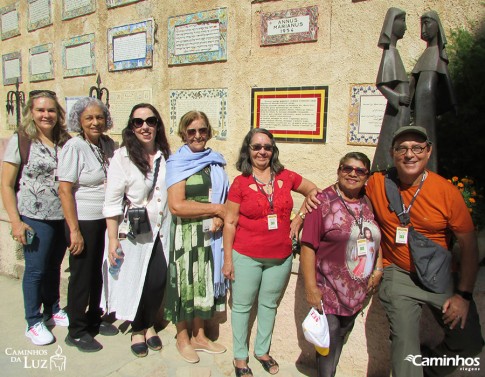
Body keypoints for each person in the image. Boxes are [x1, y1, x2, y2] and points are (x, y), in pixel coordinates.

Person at [366, 125, 483, 376]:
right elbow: (343, 189)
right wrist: (304, 209)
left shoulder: (446, 192)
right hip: (398, 272)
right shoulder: (377, 183)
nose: (410, 154)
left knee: (469, 343)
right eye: (403, 148)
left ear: (428, 152)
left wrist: (462, 295)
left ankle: (429, 363)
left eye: (417, 148)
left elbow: (469, 246)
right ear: (393, 153)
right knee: (404, 347)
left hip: (438, 275)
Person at [223, 128, 318, 377]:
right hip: (245, 256)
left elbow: (314, 191)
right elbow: (230, 222)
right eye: (256, 147)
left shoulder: (286, 177)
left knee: (269, 305)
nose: (262, 151)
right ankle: (240, 357)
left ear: (273, 150)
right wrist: (227, 260)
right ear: (248, 150)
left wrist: (298, 219)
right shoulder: (240, 183)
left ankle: (262, 351)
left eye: (267, 147)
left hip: (281, 256)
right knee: (242, 307)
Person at [300, 152, 383, 377]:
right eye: (347, 168)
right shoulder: (322, 202)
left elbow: (376, 236)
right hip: (327, 287)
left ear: (366, 176)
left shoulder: (368, 201)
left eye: (359, 171)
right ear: (339, 171)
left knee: (341, 335)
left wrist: (378, 267)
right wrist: (310, 288)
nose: (352, 174)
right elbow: (307, 246)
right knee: (329, 337)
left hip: (357, 289)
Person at [1, 90, 70, 345]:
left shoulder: (64, 140)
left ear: (58, 114)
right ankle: (33, 321)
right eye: (41, 110)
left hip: (61, 216)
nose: (46, 115)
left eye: (51, 110)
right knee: (35, 270)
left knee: (53, 266)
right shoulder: (22, 140)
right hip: (34, 216)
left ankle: (52, 308)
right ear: (31, 112)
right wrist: (16, 221)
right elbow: (6, 185)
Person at [102, 103, 171, 357]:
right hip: (134, 232)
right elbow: (111, 203)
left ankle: (149, 322)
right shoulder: (122, 158)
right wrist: (112, 240)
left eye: (150, 121)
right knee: (137, 280)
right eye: (138, 122)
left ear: (157, 125)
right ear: (131, 127)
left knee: (156, 280)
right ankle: (139, 329)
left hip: (162, 230)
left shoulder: (165, 155)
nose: (145, 126)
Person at [164, 110, 228, 364]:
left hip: (210, 235)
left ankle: (200, 336)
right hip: (185, 234)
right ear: (183, 134)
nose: (198, 136)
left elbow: (223, 197)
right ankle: (182, 337)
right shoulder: (177, 163)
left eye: (202, 130)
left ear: (209, 132)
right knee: (184, 283)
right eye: (192, 131)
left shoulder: (216, 160)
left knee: (202, 282)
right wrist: (215, 209)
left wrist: (221, 215)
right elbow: (176, 205)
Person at [58, 97, 117, 352]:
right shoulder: (74, 146)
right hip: (83, 220)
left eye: (99, 117)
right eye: (89, 118)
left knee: (99, 273)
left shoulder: (107, 144)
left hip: (105, 218)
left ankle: (94, 316)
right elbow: (64, 190)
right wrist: (74, 231)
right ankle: (76, 330)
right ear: (79, 121)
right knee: (81, 276)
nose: (95, 122)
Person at [410, 10, 457, 172]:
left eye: (427, 23)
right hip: (420, 112)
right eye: (421, 23)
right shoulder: (425, 55)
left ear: (437, 26)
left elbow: (447, 86)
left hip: (429, 113)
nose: (423, 28)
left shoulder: (437, 55)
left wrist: (452, 107)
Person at [371, 7, 410, 172]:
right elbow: (381, 84)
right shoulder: (390, 53)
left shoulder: (395, 53)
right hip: (396, 109)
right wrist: (398, 98)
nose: (406, 27)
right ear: (393, 24)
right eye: (403, 21)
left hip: (400, 110)